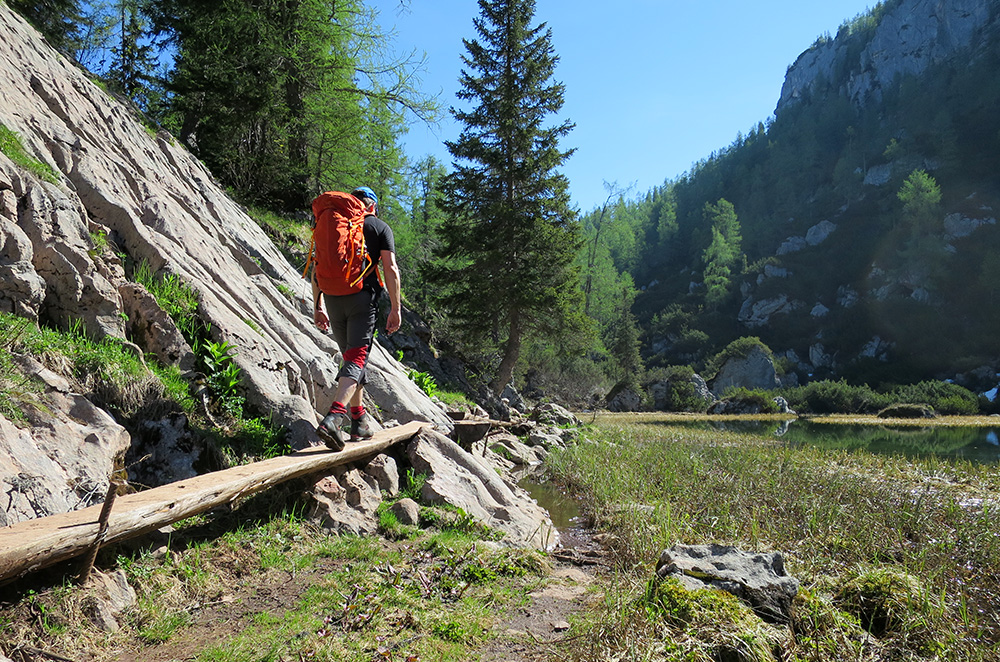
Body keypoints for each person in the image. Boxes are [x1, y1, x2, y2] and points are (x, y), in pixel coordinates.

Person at [312, 186, 401, 450]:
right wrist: (396, 308)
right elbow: (391, 269)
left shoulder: (332, 224)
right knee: (357, 359)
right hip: (362, 298)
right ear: (372, 205)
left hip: (331, 298)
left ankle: (358, 420)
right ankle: (334, 417)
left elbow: (318, 266)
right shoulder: (379, 227)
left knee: (351, 359)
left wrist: (317, 306)